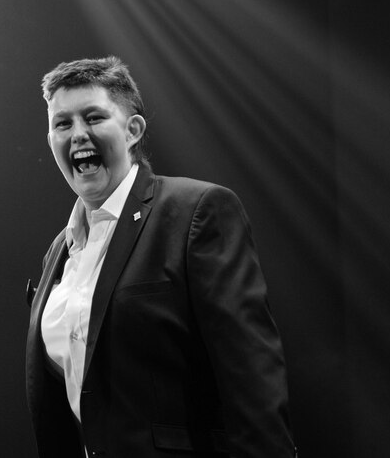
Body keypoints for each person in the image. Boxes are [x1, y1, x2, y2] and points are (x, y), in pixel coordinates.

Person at [25, 56, 297, 457]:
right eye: (62, 123)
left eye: (94, 117)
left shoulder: (195, 211)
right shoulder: (57, 252)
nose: (78, 134)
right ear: (50, 140)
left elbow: (251, 378)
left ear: (133, 130)